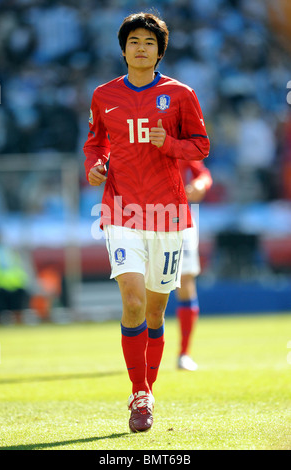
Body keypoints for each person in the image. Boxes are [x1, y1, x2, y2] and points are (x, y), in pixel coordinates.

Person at [83, 12, 210, 433]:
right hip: (122, 210)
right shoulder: (103, 95)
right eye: (134, 41)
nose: (141, 48)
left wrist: (169, 143)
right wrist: (96, 166)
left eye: (149, 43)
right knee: (133, 301)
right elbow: (96, 142)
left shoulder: (180, 94)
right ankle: (139, 393)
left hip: (168, 214)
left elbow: (201, 146)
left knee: (155, 311)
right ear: (123, 49)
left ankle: (147, 390)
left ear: (160, 51)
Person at [176, 159, 212, 371]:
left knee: (186, 279)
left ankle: (184, 353)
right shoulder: (139, 134)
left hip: (181, 216)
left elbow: (203, 174)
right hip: (145, 216)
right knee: (147, 287)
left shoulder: (180, 141)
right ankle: (146, 353)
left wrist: (200, 184)